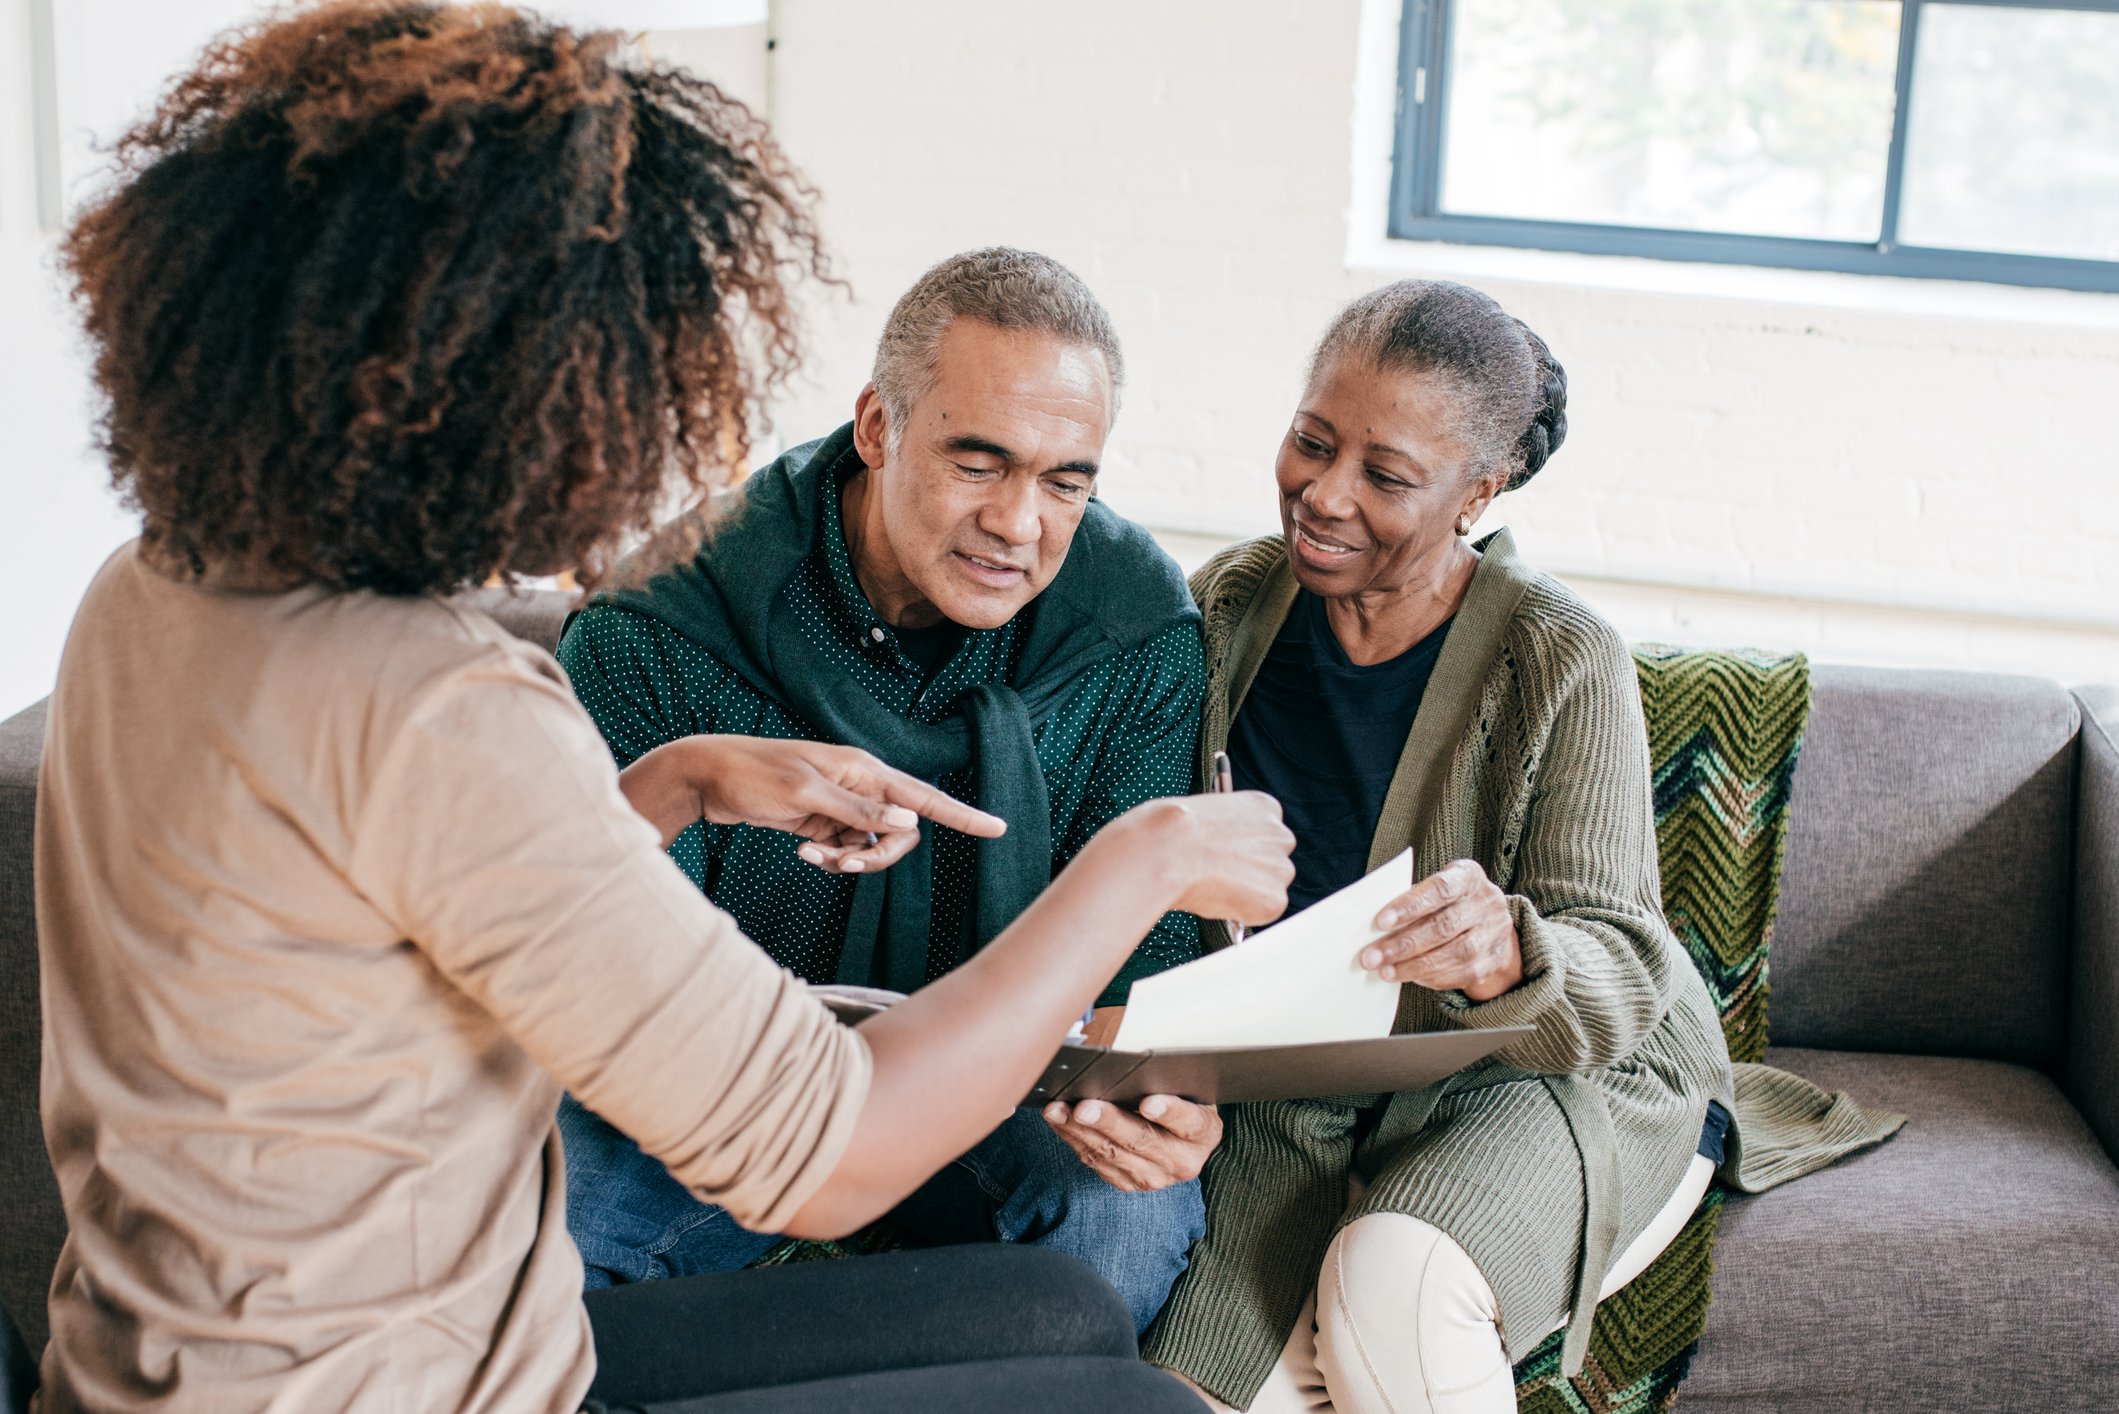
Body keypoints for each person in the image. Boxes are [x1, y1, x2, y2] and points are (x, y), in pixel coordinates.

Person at [32, 5, 1294, 1412]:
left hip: (176, 1360)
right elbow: (837, 1145)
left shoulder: (150, 589)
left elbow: (410, 909)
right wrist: (1147, 857)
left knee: (1057, 1309)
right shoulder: (446, 710)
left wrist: (672, 782)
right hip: (418, 1385)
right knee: (1132, 1403)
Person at [1134, 281, 1902, 1414]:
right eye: (1311, 440)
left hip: (1543, 1063)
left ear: (1477, 492)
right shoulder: (1233, 602)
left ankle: (1682, 1139)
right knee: (1193, 1394)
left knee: (1389, 1289)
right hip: (1303, 1087)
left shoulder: (1559, 654)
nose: (1324, 494)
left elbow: (1622, 962)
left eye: (1386, 476)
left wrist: (1505, 953)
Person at [554, 248, 1223, 1331]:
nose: (1019, 523)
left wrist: (1159, 1100)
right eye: (978, 462)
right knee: (554, 1238)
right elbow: (618, 975)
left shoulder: (1132, 628)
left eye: (1065, 480)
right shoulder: (661, 621)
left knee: (1126, 1218)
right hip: (723, 1086)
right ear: (876, 428)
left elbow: (1140, 974)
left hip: (1004, 1090)